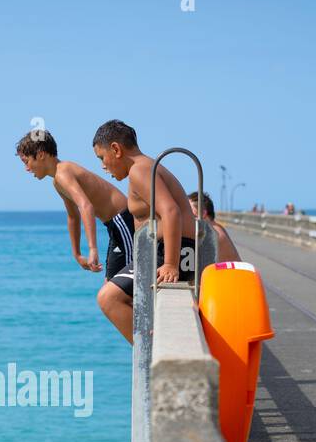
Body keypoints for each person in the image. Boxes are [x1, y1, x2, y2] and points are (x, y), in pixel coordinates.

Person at [15, 130, 136, 341]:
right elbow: (73, 217)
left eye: (27, 161)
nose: (26, 168)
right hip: (114, 227)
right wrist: (76, 253)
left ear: (41, 154)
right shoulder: (57, 181)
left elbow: (86, 207)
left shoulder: (63, 172)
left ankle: (147, 344)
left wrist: (92, 249)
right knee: (112, 286)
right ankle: (143, 343)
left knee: (120, 292)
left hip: (123, 222)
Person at [90, 120, 197, 340]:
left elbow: (171, 211)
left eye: (102, 158)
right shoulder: (145, 167)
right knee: (117, 292)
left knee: (108, 298)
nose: (102, 166)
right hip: (165, 250)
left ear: (116, 149)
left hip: (170, 251)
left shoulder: (139, 170)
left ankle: (149, 354)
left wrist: (170, 263)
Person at [188, 190, 240, 263]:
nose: (186, 216)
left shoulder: (213, 234)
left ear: (203, 213)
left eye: (189, 212)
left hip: (229, 274)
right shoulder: (216, 227)